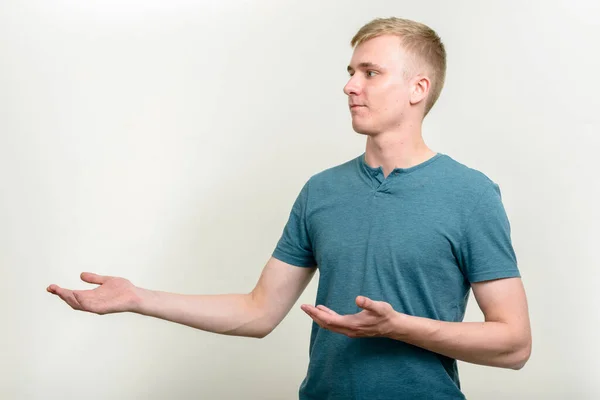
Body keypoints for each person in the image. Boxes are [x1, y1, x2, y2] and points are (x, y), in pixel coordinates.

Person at [47, 17, 531, 400]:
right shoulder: (320, 191)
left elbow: (514, 344)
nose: (350, 86)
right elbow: (258, 313)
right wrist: (137, 298)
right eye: (350, 72)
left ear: (417, 89)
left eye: (371, 72)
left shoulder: (470, 194)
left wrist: (399, 328)